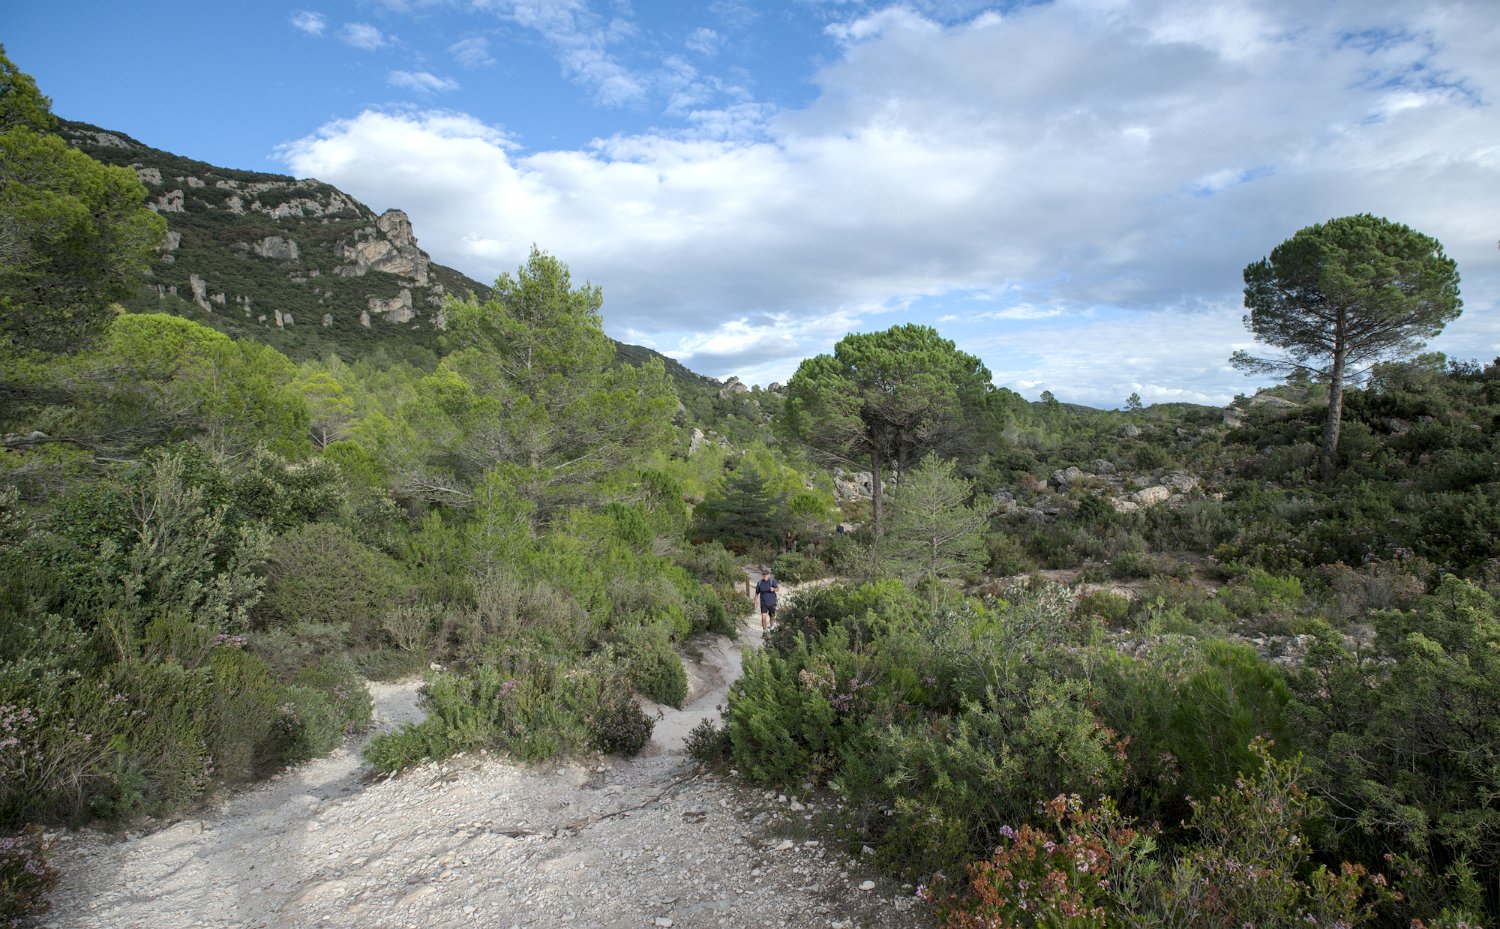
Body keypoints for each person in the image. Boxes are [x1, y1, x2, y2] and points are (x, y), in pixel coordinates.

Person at [753, 567, 779, 633]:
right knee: (763, 617)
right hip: (763, 603)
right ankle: (764, 631)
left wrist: (773, 589)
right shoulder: (759, 583)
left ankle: (771, 626)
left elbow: (777, 589)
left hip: (772, 602)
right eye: (764, 576)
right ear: (762, 576)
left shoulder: (772, 581)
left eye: (766, 576)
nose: (765, 577)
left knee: (772, 616)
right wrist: (755, 602)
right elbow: (756, 593)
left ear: (769, 575)